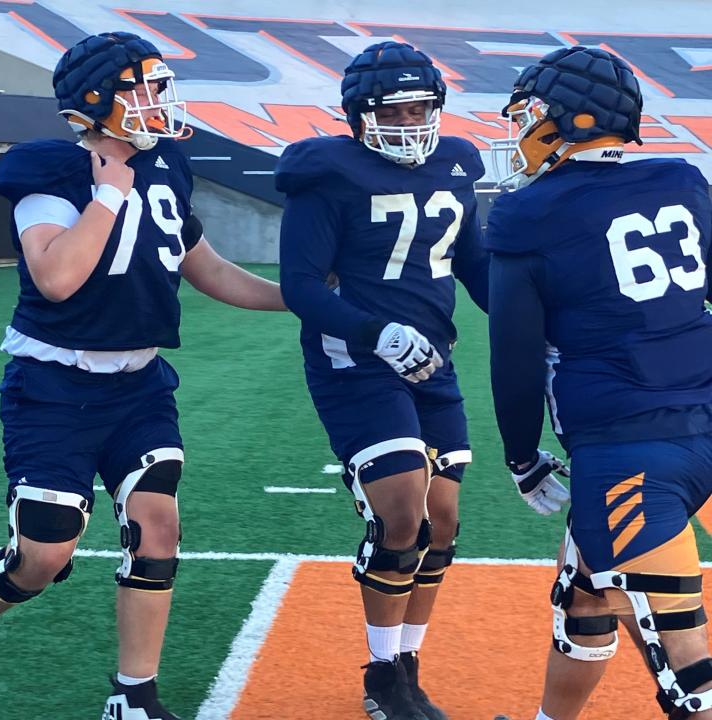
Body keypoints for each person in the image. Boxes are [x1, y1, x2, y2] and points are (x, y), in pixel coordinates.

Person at [0, 32, 284, 719]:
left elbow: (204, 267)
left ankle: (132, 697)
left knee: (158, 523)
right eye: (140, 87)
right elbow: (56, 277)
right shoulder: (50, 168)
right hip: (52, 384)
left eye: (158, 84)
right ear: (93, 103)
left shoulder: (168, 166)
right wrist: (108, 194)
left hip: (138, 382)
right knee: (45, 550)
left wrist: (296, 297)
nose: (157, 100)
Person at [487, 46, 712, 720]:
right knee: (583, 598)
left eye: (528, 115)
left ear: (569, 120)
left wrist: (522, 456)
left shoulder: (528, 215)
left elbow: (516, 357)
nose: (519, 132)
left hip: (628, 450)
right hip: (696, 414)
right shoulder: (681, 179)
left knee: (689, 672)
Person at [277, 41, 491, 720]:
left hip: (432, 359)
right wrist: (377, 332)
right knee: (402, 507)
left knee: (443, 520)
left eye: (420, 105)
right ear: (358, 116)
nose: (409, 119)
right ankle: (380, 673)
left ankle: (407, 663)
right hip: (356, 358)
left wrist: (541, 327)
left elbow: (477, 268)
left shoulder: (456, 164)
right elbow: (301, 286)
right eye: (392, 108)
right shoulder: (326, 173)